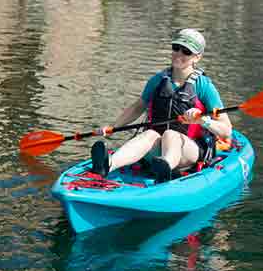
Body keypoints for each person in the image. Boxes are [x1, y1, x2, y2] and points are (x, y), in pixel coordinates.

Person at [88, 28, 233, 183]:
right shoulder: (158, 80)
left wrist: (203, 120)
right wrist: (113, 127)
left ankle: (165, 168)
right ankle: (107, 164)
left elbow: (226, 131)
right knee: (150, 134)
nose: (179, 53)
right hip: (157, 147)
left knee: (171, 136)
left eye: (186, 51)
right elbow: (138, 107)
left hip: (190, 151)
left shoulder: (204, 87)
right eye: (176, 48)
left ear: (197, 57)